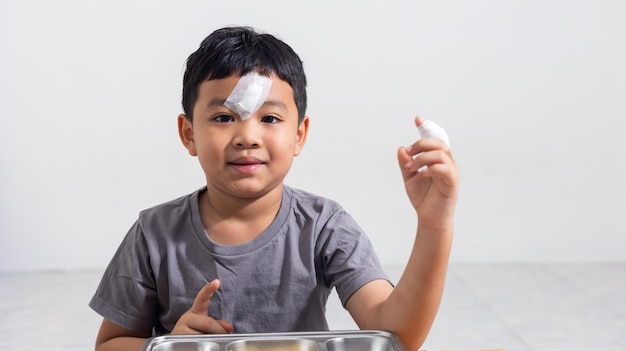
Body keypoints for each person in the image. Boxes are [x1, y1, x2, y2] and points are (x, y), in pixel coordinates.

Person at [90, 26, 459, 351]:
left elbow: (397, 335)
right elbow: (109, 344)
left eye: (269, 118)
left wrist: (434, 225)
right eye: (223, 117)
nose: (247, 137)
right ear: (189, 134)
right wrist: (169, 345)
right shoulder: (153, 235)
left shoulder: (324, 226)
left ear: (299, 135)